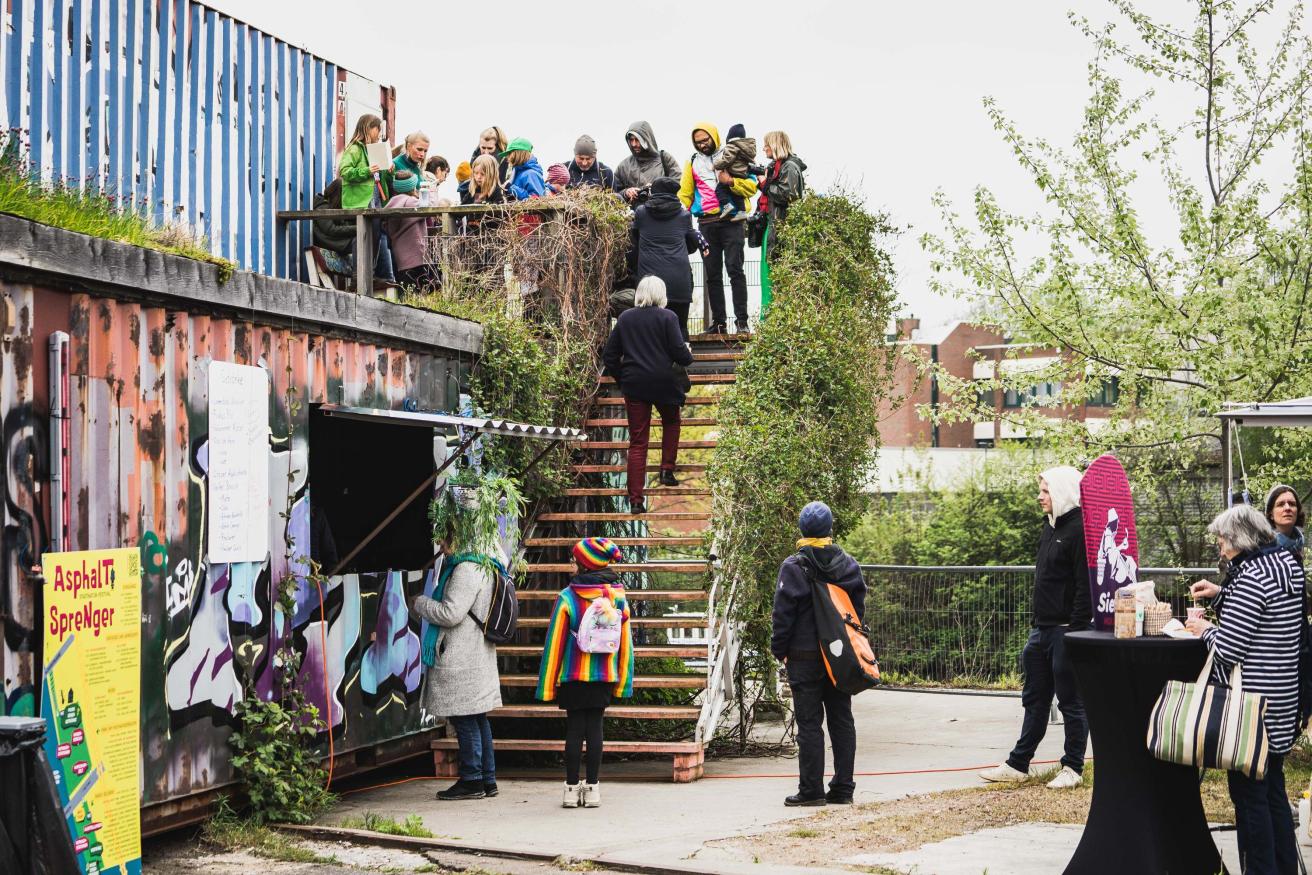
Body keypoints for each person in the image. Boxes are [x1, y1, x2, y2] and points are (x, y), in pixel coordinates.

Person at [1186, 504, 1305, 874]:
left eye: (1222, 539)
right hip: (1283, 699)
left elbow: (1229, 649)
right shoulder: (1286, 565)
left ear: (1239, 539)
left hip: (1250, 707)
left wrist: (1200, 630)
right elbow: (1265, 617)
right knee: (1274, 797)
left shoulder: (1251, 575)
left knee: (1250, 800)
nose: (1220, 547)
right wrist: (1222, 593)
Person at [979, 465, 1090, 791]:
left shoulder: (1079, 530)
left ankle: (1073, 767)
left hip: (1065, 631)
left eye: (1045, 491)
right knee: (1035, 699)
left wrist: (1075, 632)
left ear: (1062, 493)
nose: (1039, 497)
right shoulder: (1050, 528)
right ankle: (1019, 764)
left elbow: (1085, 589)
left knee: (1071, 701)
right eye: (1040, 490)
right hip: (1041, 630)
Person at [771, 501, 866, 806]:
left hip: (803, 656)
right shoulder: (848, 565)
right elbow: (857, 612)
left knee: (809, 724)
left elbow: (782, 616)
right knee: (842, 719)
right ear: (829, 529)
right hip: (839, 657)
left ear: (802, 529)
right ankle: (843, 788)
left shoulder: (793, 566)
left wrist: (780, 650)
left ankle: (811, 790)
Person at [536, 537, 634, 808]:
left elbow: (554, 641)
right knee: (595, 730)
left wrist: (547, 683)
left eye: (575, 559)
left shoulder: (568, 596)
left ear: (583, 565)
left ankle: (569, 789)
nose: (572, 563)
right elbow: (625, 641)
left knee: (575, 729)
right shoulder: (617, 598)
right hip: (604, 674)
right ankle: (592, 788)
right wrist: (623, 680)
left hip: (572, 675)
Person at [407, 531, 504, 801]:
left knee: (464, 718)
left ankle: (472, 780)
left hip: (462, 654)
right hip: (475, 652)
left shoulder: (465, 569)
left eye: (445, 541)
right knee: (477, 717)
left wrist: (421, 603)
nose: (442, 547)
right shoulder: (485, 563)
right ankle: (487, 779)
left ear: (458, 540)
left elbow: (451, 613)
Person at [601, 276, 693, 514]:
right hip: (664, 383)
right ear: (661, 294)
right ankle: (666, 470)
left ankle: (635, 501)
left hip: (636, 386)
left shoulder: (625, 318)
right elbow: (681, 356)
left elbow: (610, 355)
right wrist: (686, 351)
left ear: (639, 293)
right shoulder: (668, 317)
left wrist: (623, 378)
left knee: (638, 442)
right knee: (672, 421)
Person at [678, 123, 758, 335]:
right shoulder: (692, 162)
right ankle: (719, 323)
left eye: (706, 140)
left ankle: (742, 322)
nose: (702, 144)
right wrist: (677, 217)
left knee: (735, 269)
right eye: (698, 142)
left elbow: (752, 186)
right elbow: (685, 194)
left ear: (714, 137)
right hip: (706, 223)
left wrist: (730, 182)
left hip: (733, 222)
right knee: (712, 274)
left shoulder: (732, 153)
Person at [629, 177, 705, 339]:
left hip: (649, 283)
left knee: (649, 331)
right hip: (679, 281)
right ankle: (681, 362)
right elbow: (690, 246)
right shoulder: (684, 216)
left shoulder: (641, 213)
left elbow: (634, 239)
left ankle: (651, 363)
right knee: (680, 327)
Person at [337, 113, 396, 288]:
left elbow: (378, 175)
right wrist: (366, 171)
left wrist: (389, 169)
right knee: (363, 235)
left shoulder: (372, 150)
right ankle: (359, 275)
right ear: (369, 128)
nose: (379, 134)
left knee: (375, 235)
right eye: (377, 129)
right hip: (360, 200)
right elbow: (345, 171)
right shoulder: (355, 148)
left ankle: (370, 272)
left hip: (374, 198)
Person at [757, 130, 807, 312]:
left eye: (766, 145)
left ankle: (774, 320)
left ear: (776, 145)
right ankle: (769, 319)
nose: (764, 149)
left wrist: (765, 184)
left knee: (775, 276)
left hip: (781, 229)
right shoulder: (777, 166)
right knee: (768, 276)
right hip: (772, 226)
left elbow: (789, 195)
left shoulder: (790, 167)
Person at [613, 121, 680, 204]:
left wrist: (656, 189)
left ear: (647, 139)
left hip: (663, 212)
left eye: (637, 140)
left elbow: (678, 184)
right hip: (635, 215)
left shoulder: (665, 159)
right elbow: (613, 193)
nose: (633, 144)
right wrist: (626, 193)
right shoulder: (624, 166)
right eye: (631, 140)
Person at [460, 154, 508, 234]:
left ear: (491, 174)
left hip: (491, 237)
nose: (478, 177)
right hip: (472, 237)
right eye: (476, 173)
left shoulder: (496, 192)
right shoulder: (472, 192)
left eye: (482, 174)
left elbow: (502, 214)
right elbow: (460, 210)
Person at [311, 178, 354, 254]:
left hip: (337, 242)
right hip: (331, 243)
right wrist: (356, 228)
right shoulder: (322, 207)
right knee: (358, 241)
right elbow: (331, 229)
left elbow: (341, 224)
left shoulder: (331, 206)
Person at [1265, 484, 1305, 563]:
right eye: (1280, 504)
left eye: (1292, 504)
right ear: (1271, 514)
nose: (1287, 508)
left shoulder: (1299, 543)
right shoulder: (1262, 547)